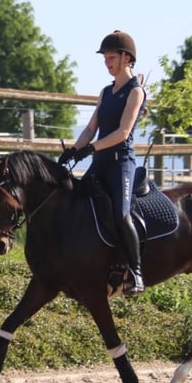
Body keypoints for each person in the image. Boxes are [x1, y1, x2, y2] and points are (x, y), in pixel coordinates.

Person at [58, 30, 147, 295]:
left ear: (126, 58)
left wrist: (91, 148)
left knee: (121, 214)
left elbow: (122, 133)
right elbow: (91, 128)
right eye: (105, 58)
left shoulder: (135, 92)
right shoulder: (106, 92)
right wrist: (75, 150)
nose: (107, 62)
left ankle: (137, 272)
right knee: (74, 203)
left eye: (111, 57)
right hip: (99, 161)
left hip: (121, 164)